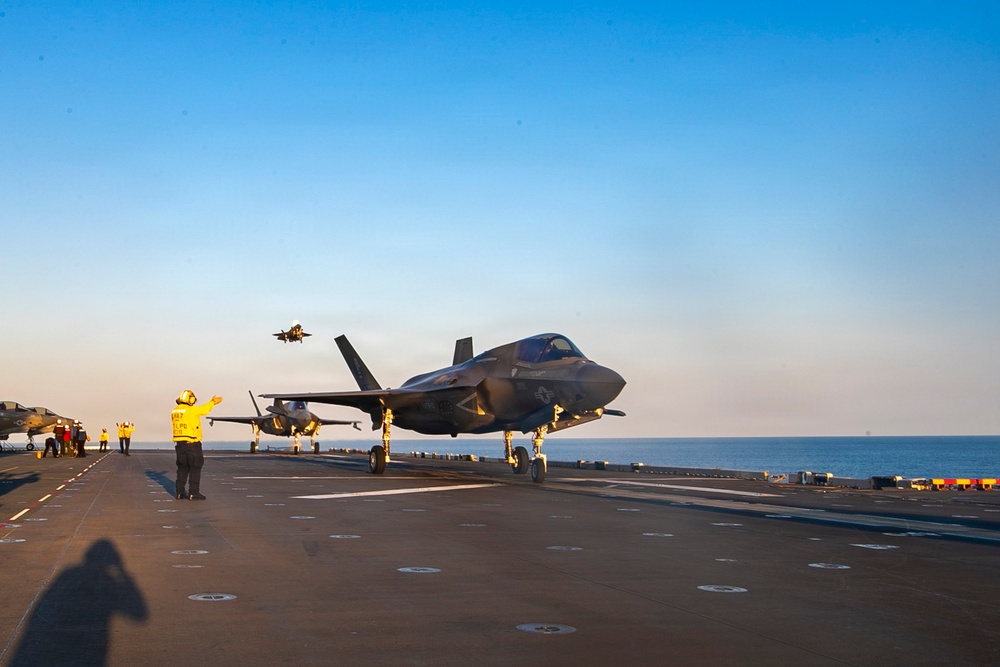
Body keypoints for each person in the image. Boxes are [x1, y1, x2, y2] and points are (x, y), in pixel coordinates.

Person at [171, 390, 222, 500]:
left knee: (182, 468)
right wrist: (213, 402)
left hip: (179, 445)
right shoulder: (191, 410)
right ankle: (193, 492)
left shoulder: (174, 411)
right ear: (190, 399)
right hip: (192, 444)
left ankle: (179, 492)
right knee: (195, 467)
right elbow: (204, 410)